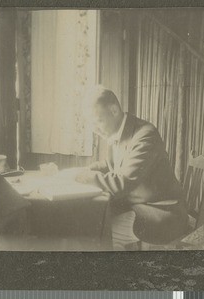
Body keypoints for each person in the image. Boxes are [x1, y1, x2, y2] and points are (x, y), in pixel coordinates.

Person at [76, 86, 188, 250]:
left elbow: (123, 183)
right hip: (142, 205)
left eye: (98, 121)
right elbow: (111, 165)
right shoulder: (121, 131)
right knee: (94, 219)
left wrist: (83, 177)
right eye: (92, 124)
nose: (95, 130)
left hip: (164, 212)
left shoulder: (145, 134)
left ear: (114, 110)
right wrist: (86, 170)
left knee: (99, 232)